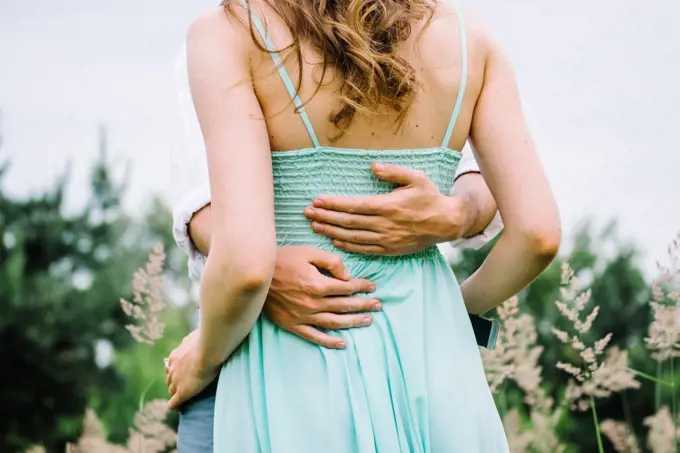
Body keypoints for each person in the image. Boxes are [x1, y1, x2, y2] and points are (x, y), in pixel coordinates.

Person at [165, 0, 561, 451]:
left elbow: (246, 266)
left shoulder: (232, 32)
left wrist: (201, 359)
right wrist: (451, 310)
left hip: (295, 361)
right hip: (435, 366)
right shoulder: (473, 38)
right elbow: (538, 235)